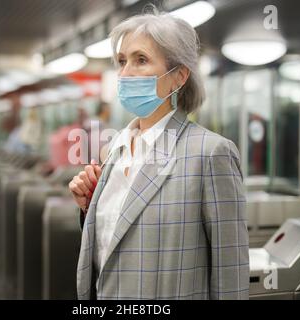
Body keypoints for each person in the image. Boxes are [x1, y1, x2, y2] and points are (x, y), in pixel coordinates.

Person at [69, 8, 249, 300]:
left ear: (178, 77)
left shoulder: (210, 153)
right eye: (122, 61)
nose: (125, 73)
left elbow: (231, 271)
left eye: (141, 60)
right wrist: (89, 208)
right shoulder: (114, 149)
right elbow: (113, 245)